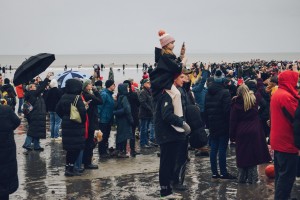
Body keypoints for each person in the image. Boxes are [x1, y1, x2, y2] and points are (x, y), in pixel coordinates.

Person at [154, 72, 191, 199]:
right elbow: (166, 115)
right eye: (181, 77)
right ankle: (164, 192)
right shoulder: (168, 93)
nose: (184, 79)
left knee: (170, 163)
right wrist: (182, 123)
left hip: (171, 134)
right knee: (166, 163)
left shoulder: (175, 91)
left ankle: (168, 191)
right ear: (174, 79)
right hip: (166, 134)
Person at [230, 83, 271, 184]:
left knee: (242, 155)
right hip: (254, 130)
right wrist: (259, 116)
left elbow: (232, 121)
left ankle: (242, 179)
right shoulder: (254, 100)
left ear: (238, 93)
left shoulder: (235, 104)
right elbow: (264, 103)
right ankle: (253, 180)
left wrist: (232, 136)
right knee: (253, 155)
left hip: (241, 131)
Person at [150, 30, 187, 133]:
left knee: (177, 94)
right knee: (176, 94)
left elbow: (173, 64)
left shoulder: (166, 56)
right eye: (171, 43)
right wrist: (183, 62)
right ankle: (178, 120)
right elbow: (176, 67)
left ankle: (179, 119)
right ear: (166, 44)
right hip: (163, 83)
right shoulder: (165, 57)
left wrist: (181, 55)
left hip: (165, 82)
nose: (173, 45)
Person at [270, 68, 299, 200]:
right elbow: (295, 117)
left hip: (278, 141)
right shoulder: (286, 97)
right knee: (286, 177)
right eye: (295, 81)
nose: (296, 84)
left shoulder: (277, 93)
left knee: (280, 175)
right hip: (287, 142)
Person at [205, 69, 236, 180]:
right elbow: (227, 111)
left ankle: (214, 173)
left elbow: (206, 108)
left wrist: (208, 124)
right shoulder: (225, 92)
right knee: (222, 149)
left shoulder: (208, 92)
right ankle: (223, 173)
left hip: (212, 123)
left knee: (213, 148)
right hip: (223, 124)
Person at [56, 79, 87, 176]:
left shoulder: (63, 96)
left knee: (70, 149)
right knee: (76, 148)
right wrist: (82, 121)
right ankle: (71, 168)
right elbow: (82, 113)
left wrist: (65, 117)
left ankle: (68, 168)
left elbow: (57, 109)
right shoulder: (77, 98)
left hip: (66, 124)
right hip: (76, 125)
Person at [22, 72, 53, 152]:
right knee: (32, 130)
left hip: (38, 115)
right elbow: (41, 88)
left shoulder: (36, 94)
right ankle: (27, 144)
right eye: (34, 86)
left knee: (36, 131)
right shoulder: (32, 94)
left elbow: (41, 88)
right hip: (35, 115)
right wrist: (47, 78)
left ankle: (36, 146)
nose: (35, 86)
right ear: (30, 88)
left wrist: (40, 81)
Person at [0, 101, 21, 200]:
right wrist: (8, 130)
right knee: (5, 180)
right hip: (6, 149)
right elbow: (17, 121)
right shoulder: (6, 109)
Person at [82, 80, 103, 169]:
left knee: (87, 142)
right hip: (91, 121)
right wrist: (96, 91)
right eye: (90, 84)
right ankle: (88, 163)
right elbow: (100, 101)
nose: (91, 85)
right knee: (90, 142)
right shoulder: (89, 95)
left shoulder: (83, 95)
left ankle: (85, 161)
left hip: (87, 121)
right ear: (86, 86)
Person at [114, 83, 133, 158]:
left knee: (120, 134)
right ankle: (121, 152)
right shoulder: (124, 97)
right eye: (127, 88)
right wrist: (131, 120)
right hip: (124, 120)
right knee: (124, 136)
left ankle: (119, 150)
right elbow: (127, 110)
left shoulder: (119, 97)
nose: (128, 89)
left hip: (120, 119)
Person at [98, 80, 115, 159]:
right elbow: (99, 106)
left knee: (106, 135)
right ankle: (102, 152)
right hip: (103, 119)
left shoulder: (109, 94)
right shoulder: (104, 94)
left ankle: (105, 150)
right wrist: (98, 117)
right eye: (113, 85)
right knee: (103, 136)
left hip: (108, 119)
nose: (114, 86)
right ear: (109, 86)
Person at [123, 80, 141, 156]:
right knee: (132, 134)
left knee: (124, 134)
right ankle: (132, 150)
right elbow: (138, 103)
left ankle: (124, 150)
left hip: (125, 116)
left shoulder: (122, 95)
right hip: (133, 116)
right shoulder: (134, 94)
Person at [138, 79, 155, 148]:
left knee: (147, 128)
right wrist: (150, 109)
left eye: (149, 83)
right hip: (144, 114)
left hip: (149, 114)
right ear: (144, 84)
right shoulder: (143, 92)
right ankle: (143, 143)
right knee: (143, 129)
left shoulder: (149, 91)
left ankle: (147, 142)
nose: (149, 84)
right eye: (147, 83)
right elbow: (143, 102)